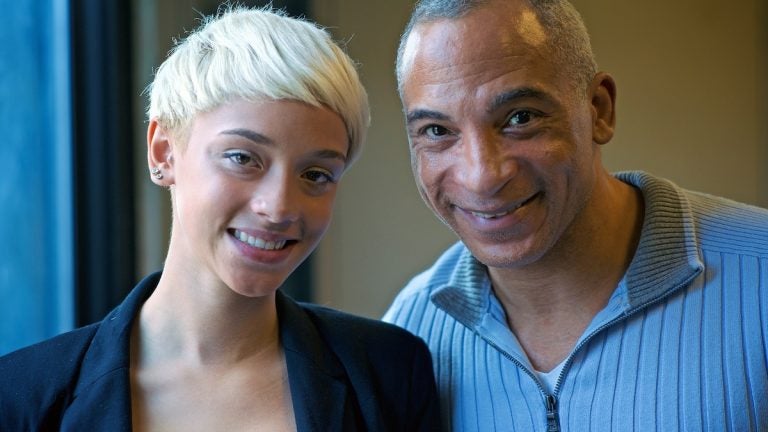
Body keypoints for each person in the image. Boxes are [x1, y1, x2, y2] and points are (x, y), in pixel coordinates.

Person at [0, 6, 441, 431]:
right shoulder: (21, 396)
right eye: (243, 158)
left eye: (315, 174)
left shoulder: (390, 376)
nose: (279, 207)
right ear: (163, 152)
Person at [383, 0, 768, 430]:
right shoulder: (408, 331)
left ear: (599, 110)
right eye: (437, 131)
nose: (481, 178)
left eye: (520, 117)